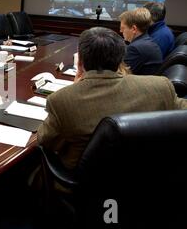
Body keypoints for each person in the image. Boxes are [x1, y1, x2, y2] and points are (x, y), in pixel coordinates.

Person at [37, 27, 187, 171]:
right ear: (120, 60)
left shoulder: (62, 100)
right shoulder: (160, 87)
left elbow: (44, 140)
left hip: (86, 184)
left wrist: (76, 88)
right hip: (150, 178)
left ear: (79, 63)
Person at [120, 7, 163, 75]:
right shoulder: (146, 41)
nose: (121, 31)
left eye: (123, 28)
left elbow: (122, 75)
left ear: (134, 29)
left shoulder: (135, 48)